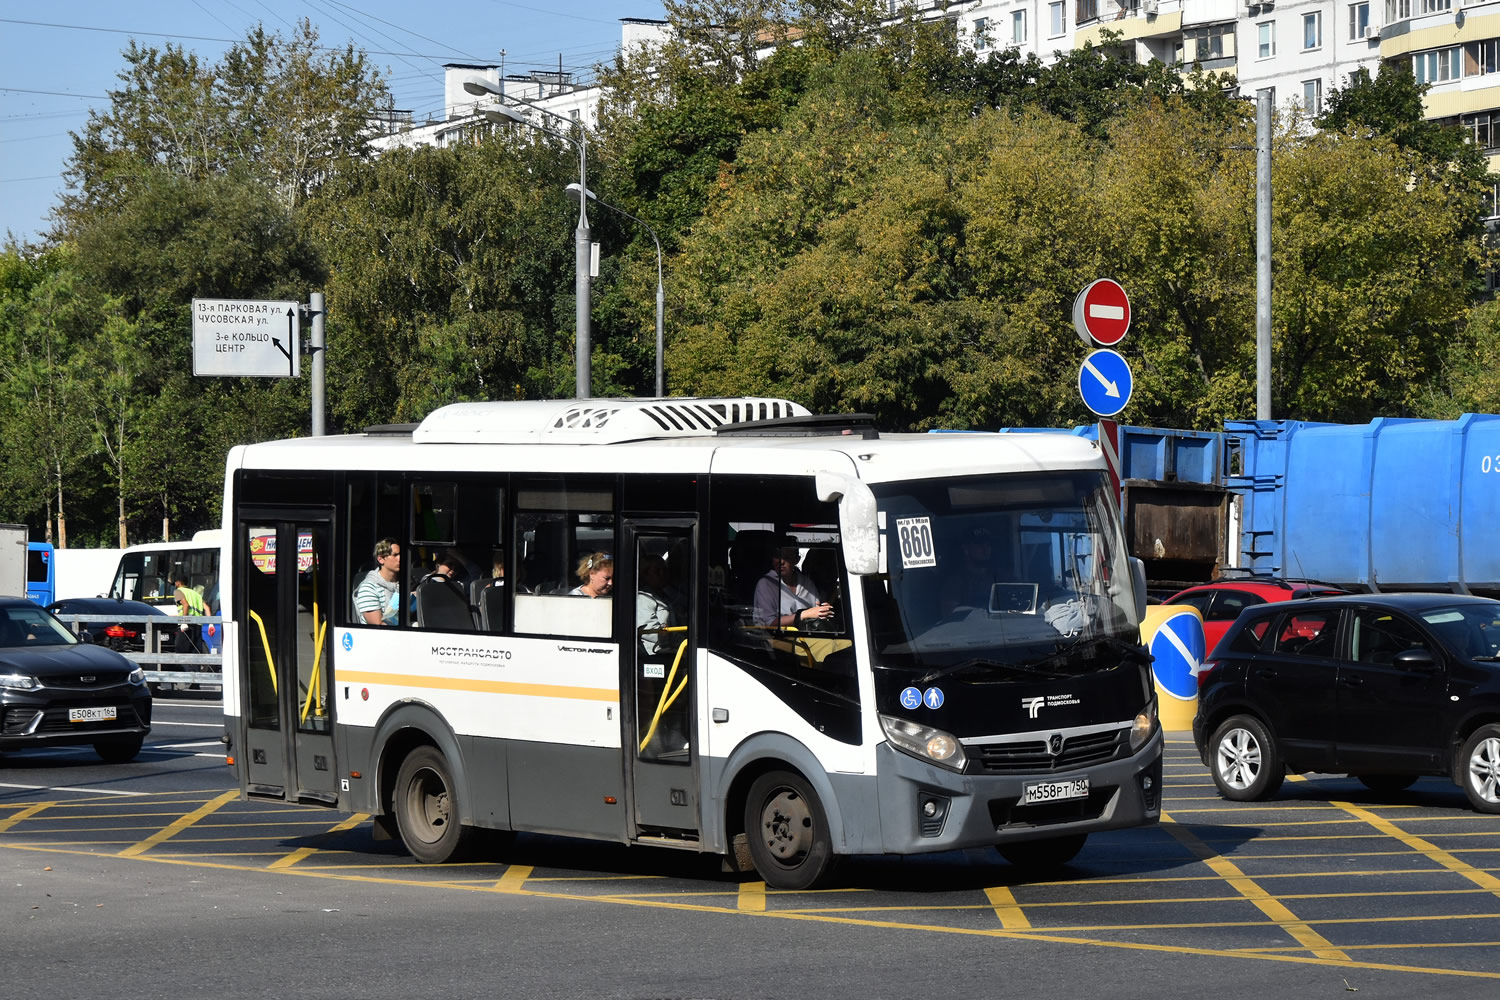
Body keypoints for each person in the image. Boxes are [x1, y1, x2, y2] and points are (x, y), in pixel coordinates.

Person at [753, 541, 832, 628]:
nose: (781, 561)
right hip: (776, 637)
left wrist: (823, 610)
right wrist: (802, 615)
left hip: (808, 632)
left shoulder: (806, 582)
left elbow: (817, 607)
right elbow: (769, 623)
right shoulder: (766, 583)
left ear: (796, 560)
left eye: (787, 557)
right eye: (777, 556)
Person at [354, 538, 402, 625]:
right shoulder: (368, 588)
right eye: (395, 555)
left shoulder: (405, 583)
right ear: (381, 559)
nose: (400, 558)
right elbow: (378, 625)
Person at [637, 554, 673, 655]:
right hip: (655, 654)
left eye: (664, 570)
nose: (662, 574)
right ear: (645, 574)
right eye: (657, 571)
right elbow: (650, 631)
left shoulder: (666, 595)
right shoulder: (643, 598)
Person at [173, 573, 209, 654]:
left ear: (178, 583)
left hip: (187, 625)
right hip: (198, 625)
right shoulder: (195, 593)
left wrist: (184, 622)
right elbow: (207, 608)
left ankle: (184, 667)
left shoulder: (178, 591)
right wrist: (210, 624)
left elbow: (185, 605)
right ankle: (196, 667)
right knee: (195, 651)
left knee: (180, 650)